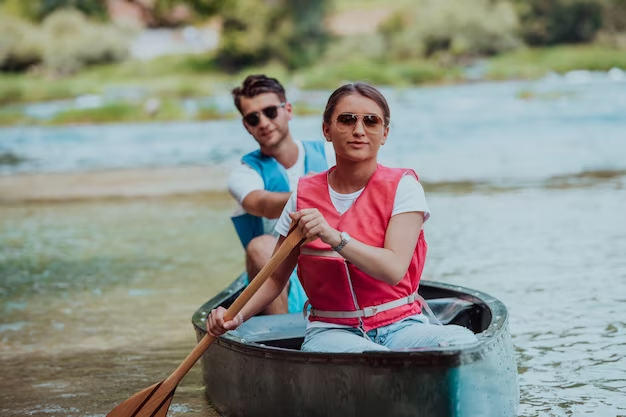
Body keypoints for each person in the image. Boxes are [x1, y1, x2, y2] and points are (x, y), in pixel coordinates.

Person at [209, 81, 477, 352]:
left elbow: (394, 269)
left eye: (371, 122)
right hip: (331, 330)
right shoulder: (301, 195)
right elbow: (275, 278)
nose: (358, 131)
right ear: (327, 130)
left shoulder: (404, 187)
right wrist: (235, 316)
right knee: (373, 357)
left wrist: (334, 237)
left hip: (402, 325)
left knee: (462, 341)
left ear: (384, 133)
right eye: (346, 120)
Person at [228, 74, 335, 315]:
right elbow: (262, 204)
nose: (264, 122)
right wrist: (317, 191)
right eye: (253, 118)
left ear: (288, 110)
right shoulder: (243, 174)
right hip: (277, 277)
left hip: (331, 263)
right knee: (260, 245)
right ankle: (282, 339)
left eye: (270, 112)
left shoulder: (331, 155)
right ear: (247, 126)